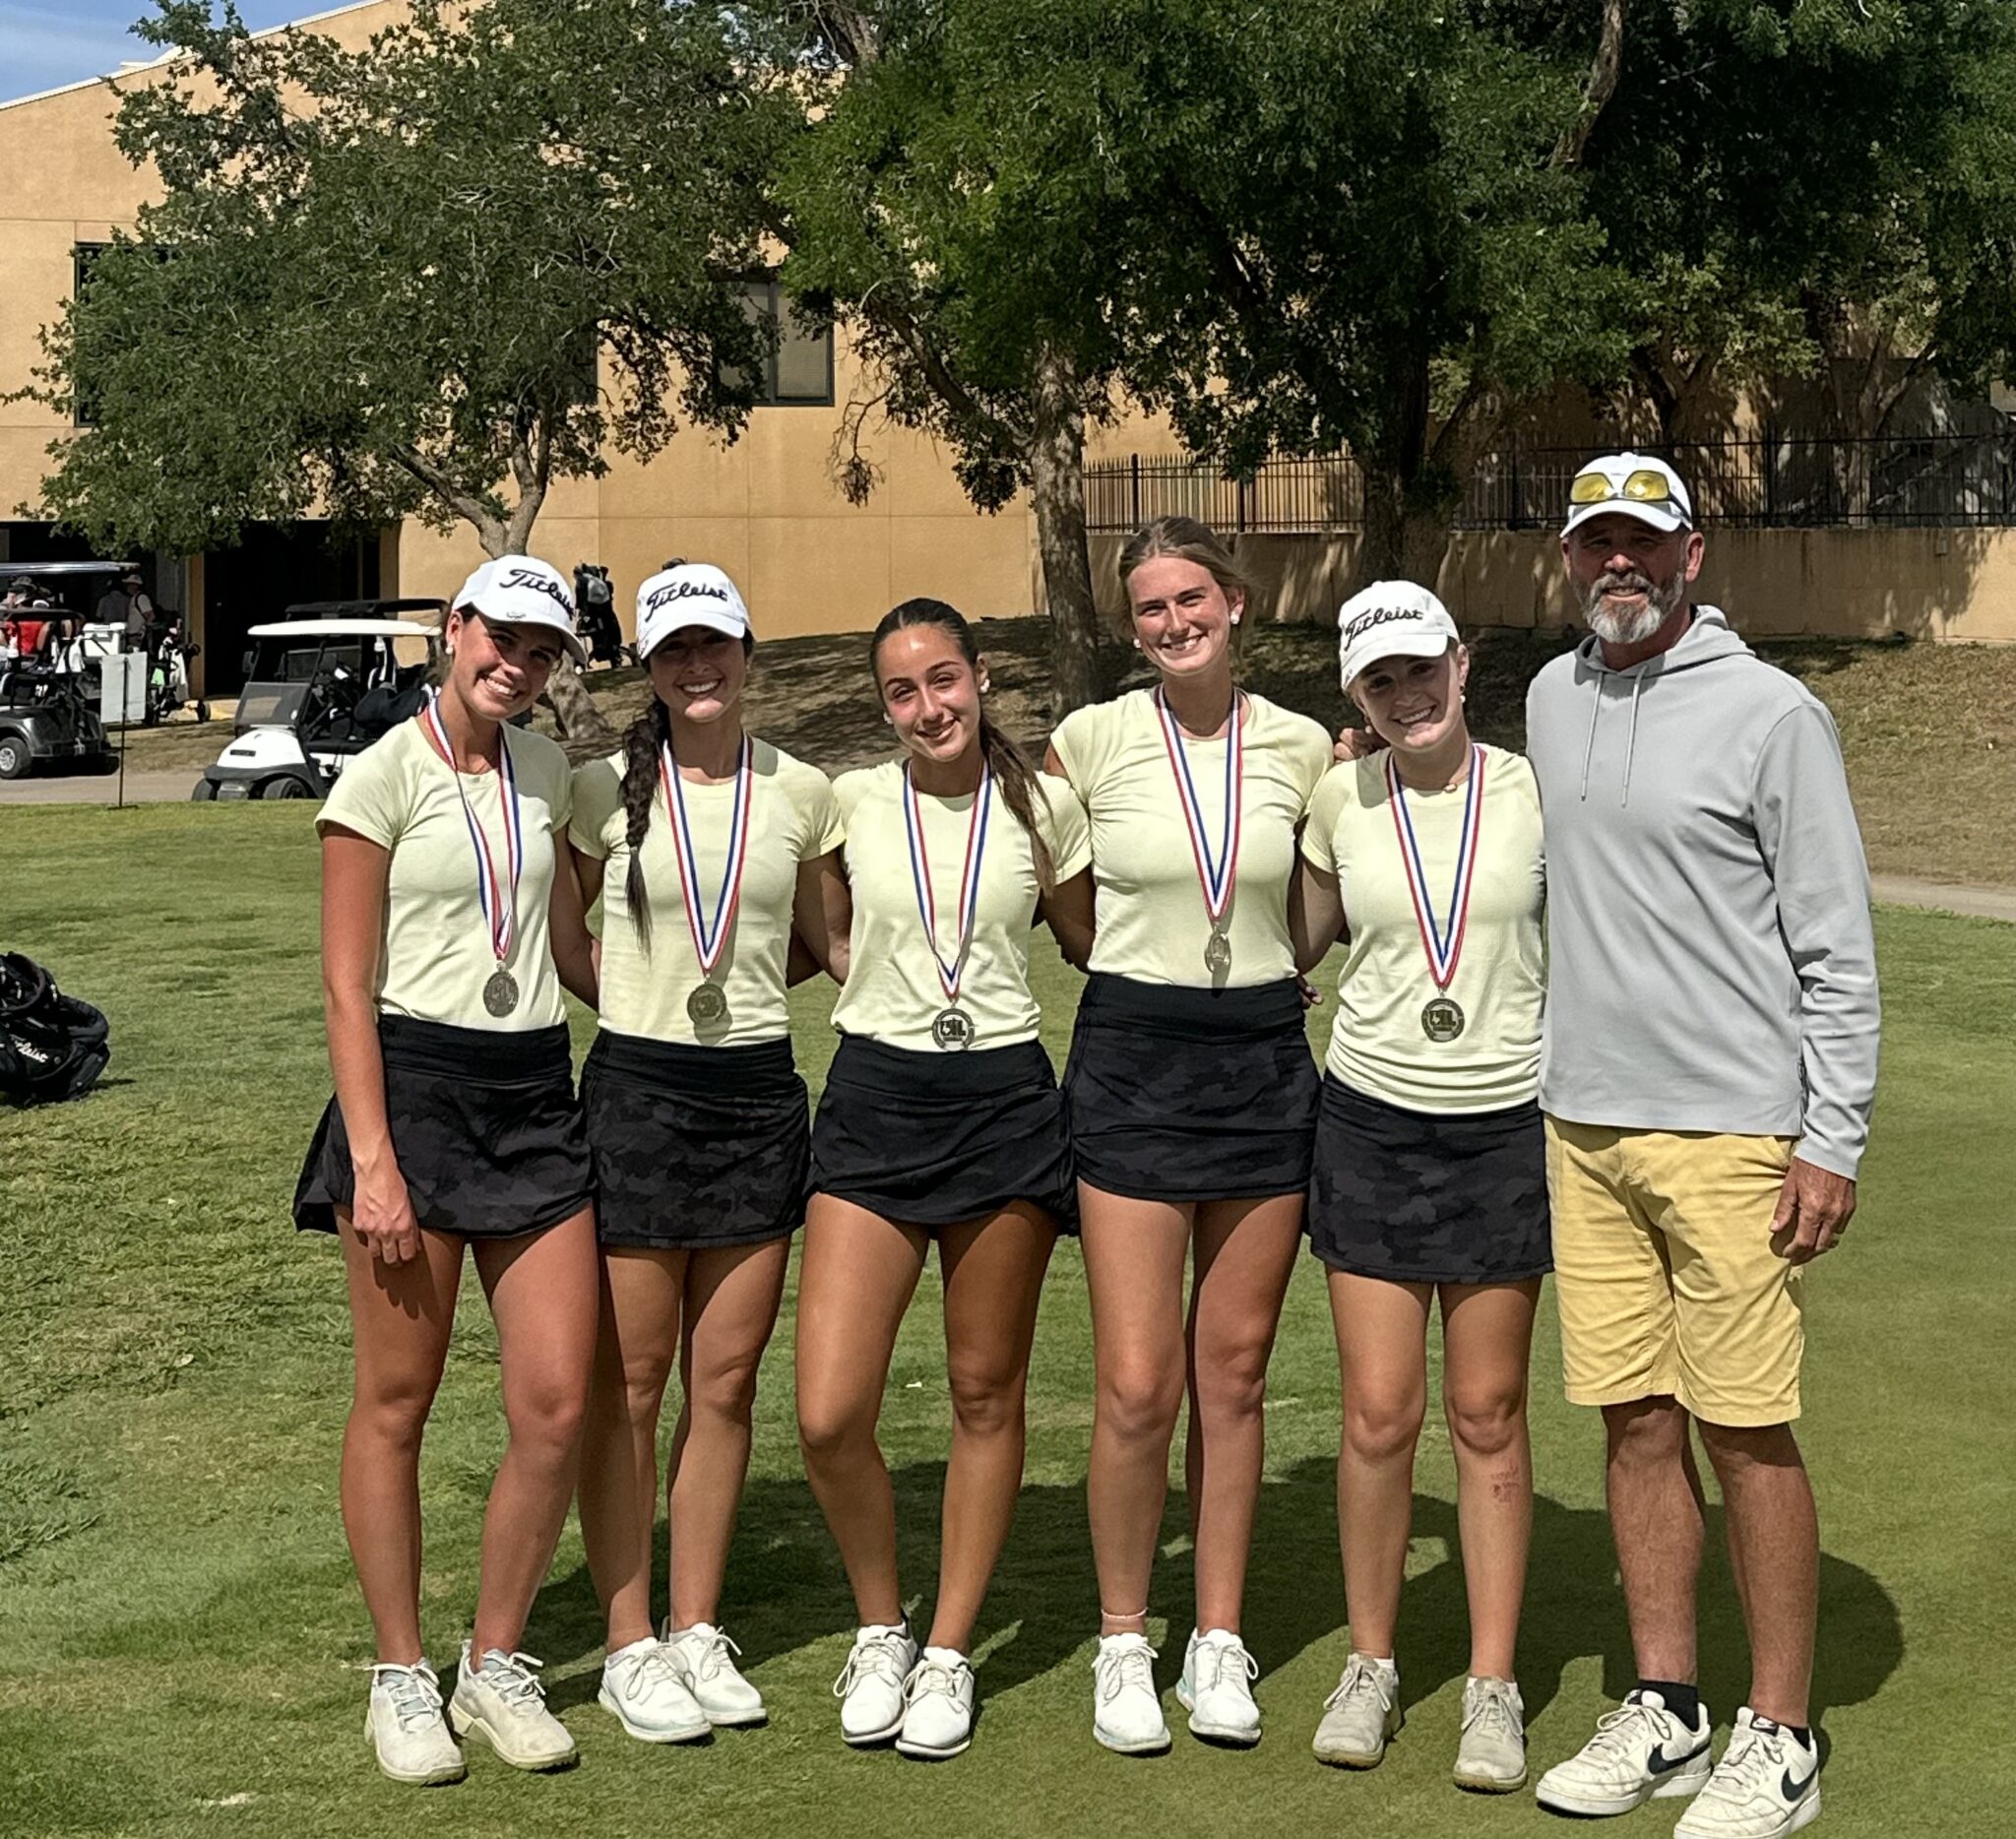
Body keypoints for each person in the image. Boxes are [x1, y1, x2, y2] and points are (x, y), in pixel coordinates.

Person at [1526, 453, 1879, 1839]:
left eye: (1641, 540)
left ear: (1690, 553)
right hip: (1583, 1123)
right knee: (1632, 1419)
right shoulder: (1549, 697)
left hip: (1733, 1129)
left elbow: (1834, 945)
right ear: (1569, 557)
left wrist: (1830, 1136)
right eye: (1594, 541)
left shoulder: (1772, 713)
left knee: (1743, 1427)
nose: (1616, 562)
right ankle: (1666, 1701)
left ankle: (1779, 1731)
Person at [291, 555, 601, 1786]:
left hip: (533, 1095)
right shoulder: (379, 775)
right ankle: (400, 1670)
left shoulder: (545, 772)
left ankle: (495, 1659)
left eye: (539, 649)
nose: (514, 664)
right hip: (413, 1096)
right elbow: (344, 987)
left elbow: (568, 949)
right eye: (499, 637)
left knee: (557, 1402)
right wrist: (374, 1161)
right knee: (397, 1400)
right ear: (455, 628)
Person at [1044, 515, 1332, 1754]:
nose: (1173, 622)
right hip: (1133, 1056)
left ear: (1234, 600)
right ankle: (1123, 1637)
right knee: (1134, 1379)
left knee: (1233, 1371)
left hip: (1260, 1060)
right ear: (1132, 627)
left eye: (1191, 598)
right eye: (1150, 608)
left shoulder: (1303, 745)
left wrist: (1263, 966)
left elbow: (1315, 904)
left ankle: (1216, 1633)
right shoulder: (1089, 738)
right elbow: (1065, 906)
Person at [801, 599, 1096, 1761]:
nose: (928, 707)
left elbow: (1090, 938)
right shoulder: (850, 802)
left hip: (1002, 1105)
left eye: (943, 679)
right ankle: (882, 1624)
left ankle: (950, 1649)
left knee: (984, 1393)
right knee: (828, 1410)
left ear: (979, 677)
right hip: (874, 1099)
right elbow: (826, 936)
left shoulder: (1044, 807)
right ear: (883, 706)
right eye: (901, 690)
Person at [569, 561, 850, 1744]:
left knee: (723, 1383)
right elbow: (561, 934)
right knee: (630, 1386)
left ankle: (694, 1626)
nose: (697, 667)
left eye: (713, 644)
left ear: (746, 651)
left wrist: (731, 989)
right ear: (649, 666)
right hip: (637, 1094)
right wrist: (639, 999)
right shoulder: (597, 788)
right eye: (674, 650)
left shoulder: (803, 789)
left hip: (754, 1095)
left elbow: (827, 938)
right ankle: (628, 1640)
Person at [1292, 583, 1547, 1794]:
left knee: (1486, 1410)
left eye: (1420, 668)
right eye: (1378, 680)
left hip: (1504, 1124)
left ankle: (1492, 1684)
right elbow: (1293, 939)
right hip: (1371, 1122)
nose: (1406, 695)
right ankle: (1371, 1661)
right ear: (1355, 693)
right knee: (1377, 1414)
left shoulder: (1534, 788)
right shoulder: (1337, 797)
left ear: (1461, 660)